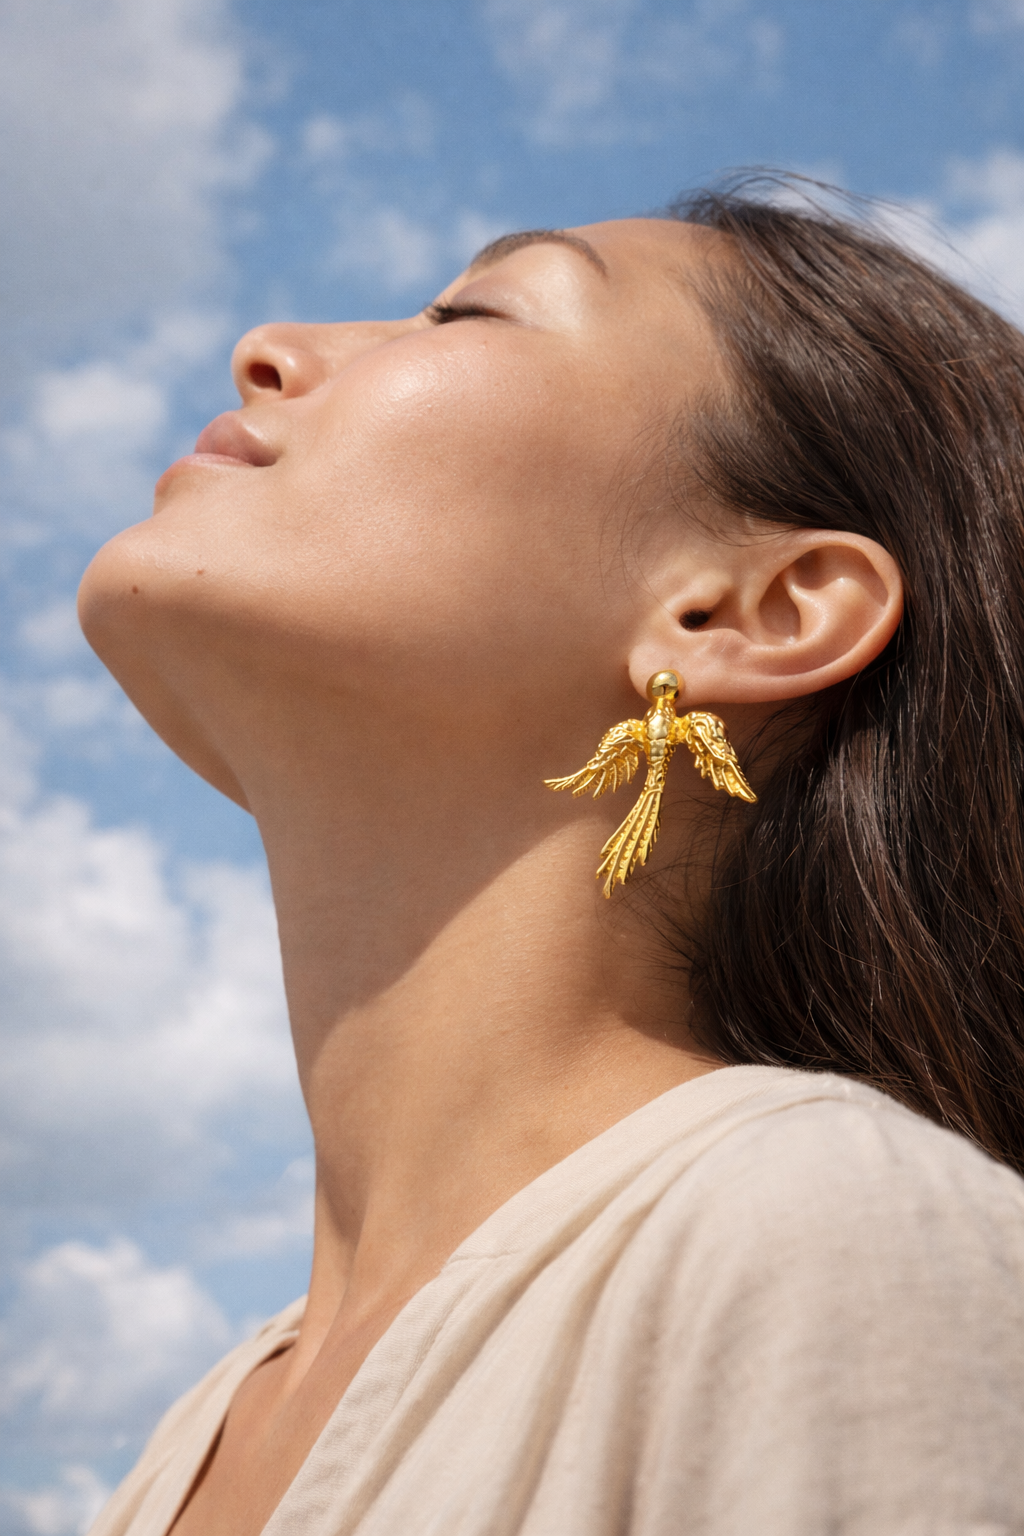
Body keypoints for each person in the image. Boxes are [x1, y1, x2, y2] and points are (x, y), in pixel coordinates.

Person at [78, 179, 1024, 1536]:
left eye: (470, 308)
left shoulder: (832, 1242)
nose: (270, 347)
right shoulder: (205, 1424)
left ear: (751, 610)